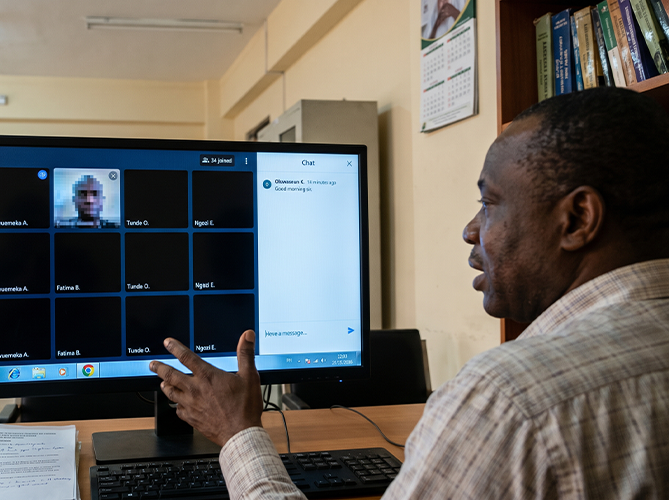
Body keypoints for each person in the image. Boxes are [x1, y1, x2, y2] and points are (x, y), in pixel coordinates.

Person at [150, 87, 669, 498]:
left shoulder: (509, 399)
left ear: (577, 218)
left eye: (490, 203)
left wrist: (240, 434)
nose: (471, 229)